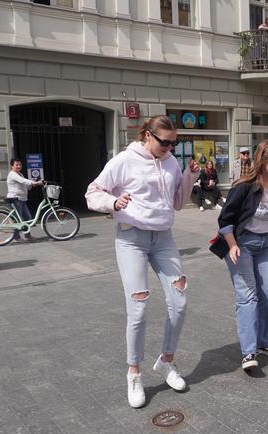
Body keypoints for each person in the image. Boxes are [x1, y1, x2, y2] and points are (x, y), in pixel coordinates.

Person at [85, 115, 200, 408]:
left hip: (163, 238)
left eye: (174, 143)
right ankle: (134, 372)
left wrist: (188, 177)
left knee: (180, 301)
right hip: (131, 237)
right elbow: (92, 192)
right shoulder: (124, 160)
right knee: (138, 308)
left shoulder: (172, 162)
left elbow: (176, 202)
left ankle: (166, 361)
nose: (170, 147)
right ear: (147, 135)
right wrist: (112, 203)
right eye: (165, 142)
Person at [212, 140, 268, 371]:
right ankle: (248, 352)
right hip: (242, 245)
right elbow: (224, 221)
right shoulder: (244, 187)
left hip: (266, 246)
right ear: (263, 160)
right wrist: (233, 245)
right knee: (248, 297)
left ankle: (265, 342)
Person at [6, 158, 43, 240]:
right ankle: (16, 237)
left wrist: (34, 184)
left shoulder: (20, 174)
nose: (19, 166)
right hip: (15, 199)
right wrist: (33, 182)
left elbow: (26, 186)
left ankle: (27, 235)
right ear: (12, 166)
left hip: (22, 199)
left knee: (27, 217)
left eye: (20, 165)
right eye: (17, 165)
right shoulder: (12, 174)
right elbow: (22, 181)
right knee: (18, 219)